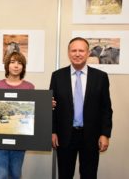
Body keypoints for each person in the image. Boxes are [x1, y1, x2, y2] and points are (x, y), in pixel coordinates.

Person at [49, 37, 113, 179]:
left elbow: (106, 108)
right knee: (64, 175)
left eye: (81, 50)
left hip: (91, 135)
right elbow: (51, 107)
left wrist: (105, 134)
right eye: (74, 50)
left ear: (88, 53)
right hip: (65, 135)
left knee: (89, 175)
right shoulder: (57, 76)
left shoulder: (100, 77)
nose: (77, 54)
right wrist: (52, 131)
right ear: (68, 53)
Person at [0, 51, 34, 179]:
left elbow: (32, 112)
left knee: (16, 174)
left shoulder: (29, 87)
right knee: (1, 174)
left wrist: (45, 105)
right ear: (7, 65)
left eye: (20, 63)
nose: (16, 66)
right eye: (12, 62)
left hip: (20, 139)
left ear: (23, 67)